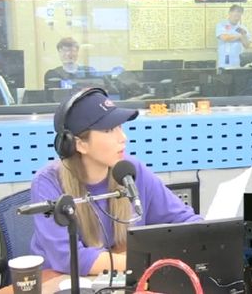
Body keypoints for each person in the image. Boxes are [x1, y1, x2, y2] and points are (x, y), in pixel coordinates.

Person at [30, 88, 201, 275]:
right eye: (109, 130)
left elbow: (187, 221)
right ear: (79, 144)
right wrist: (148, 261)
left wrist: (206, 239)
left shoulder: (131, 170)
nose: (123, 138)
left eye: (120, 127)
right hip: (62, 281)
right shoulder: (47, 183)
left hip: (122, 277)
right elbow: (68, 258)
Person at [216, 5, 252, 69]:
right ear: (230, 13)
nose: (237, 18)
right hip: (225, 62)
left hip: (239, 62)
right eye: (235, 15)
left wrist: (243, 37)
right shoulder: (221, 25)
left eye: (239, 15)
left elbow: (247, 45)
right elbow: (224, 38)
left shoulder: (243, 28)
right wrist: (240, 36)